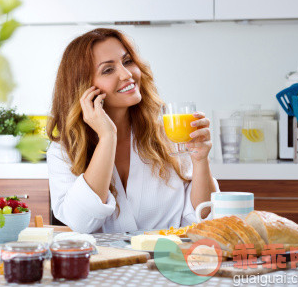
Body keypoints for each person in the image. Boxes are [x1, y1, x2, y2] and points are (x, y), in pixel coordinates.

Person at [46, 28, 219, 234]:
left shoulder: (169, 134)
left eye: (127, 61)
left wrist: (201, 161)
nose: (127, 74)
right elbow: (81, 222)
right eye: (108, 70)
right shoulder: (63, 151)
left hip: (166, 260)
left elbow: (201, 216)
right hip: (102, 265)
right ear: (83, 88)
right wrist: (107, 137)